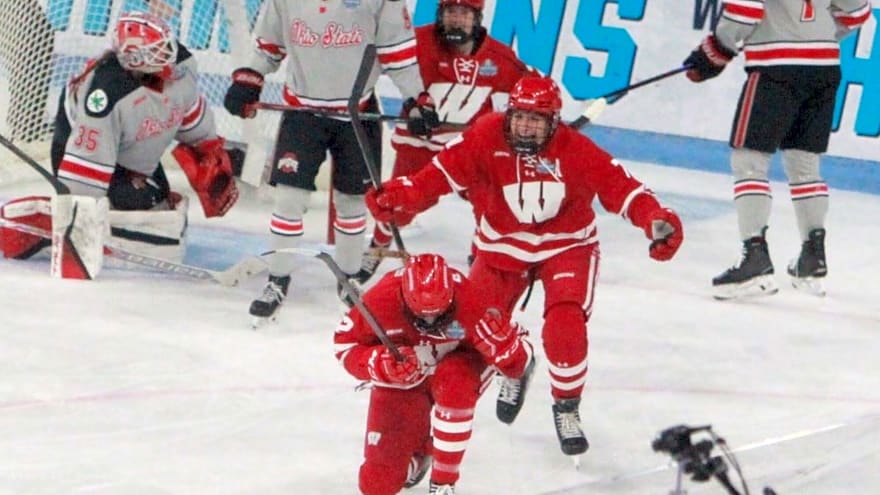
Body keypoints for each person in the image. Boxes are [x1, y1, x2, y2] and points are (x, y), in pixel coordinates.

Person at [365, 75, 684, 457]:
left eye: (536, 119)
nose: (525, 126)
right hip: (500, 252)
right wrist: (403, 195)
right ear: (509, 113)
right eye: (520, 116)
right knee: (472, 334)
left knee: (565, 326)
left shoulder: (574, 148)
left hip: (566, 248)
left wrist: (654, 218)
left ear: (553, 122)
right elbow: (437, 176)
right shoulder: (484, 136)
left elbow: (623, 188)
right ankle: (516, 367)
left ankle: (567, 406)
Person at [223, 0, 440, 324]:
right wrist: (250, 77)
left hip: (356, 111)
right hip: (302, 113)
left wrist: (417, 99)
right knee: (288, 199)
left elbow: (399, 57)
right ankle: (277, 280)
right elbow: (269, 46)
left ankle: (349, 279)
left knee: (353, 202)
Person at [1, 11, 237, 270]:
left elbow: (186, 105)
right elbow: (86, 166)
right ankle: (39, 220)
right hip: (85, 156)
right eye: (158, 51)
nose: (169, 53)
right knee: (143, 218)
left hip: (131, 150)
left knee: (160, 207)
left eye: (167, 45)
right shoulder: (106, 94)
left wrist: (207, 150)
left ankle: (103, 219)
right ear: (135, 59)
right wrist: (77, 225)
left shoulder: (180, 64)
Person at [682, 0, 871, 299]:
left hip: (776, 70)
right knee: (805, 163)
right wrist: (815, 37)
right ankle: (813, 258)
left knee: (749, 161)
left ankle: (755, 258)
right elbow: (858, 12)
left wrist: (714, 53)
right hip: (824, 69)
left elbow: (744, 10)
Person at [358, 0, 537, 283]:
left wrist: (545, 116)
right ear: (440, 14)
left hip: (470, 149)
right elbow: (379, 61)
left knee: (492, 202)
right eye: (450, 12)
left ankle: (481, 254)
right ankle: (378, 246)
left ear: (477, 18)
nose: (456, 20)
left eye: (464, 13)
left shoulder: (499, 58)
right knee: (400, 207)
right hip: (420, 146)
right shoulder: (417, 42)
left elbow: (532, 87)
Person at [334, 253, 534, 495]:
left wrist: (506, 349)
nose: (430, 322)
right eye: (421, 315)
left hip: (457, 366)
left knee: (454, 385)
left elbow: (519, 360)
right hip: (404, 383)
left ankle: (443, 484)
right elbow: (344, 345)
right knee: (376, 484)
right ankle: (422, 452)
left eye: (439, 314)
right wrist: (381, 365)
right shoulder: (381, 299)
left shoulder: (471, 299)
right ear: (404, 297)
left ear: (451, 297)